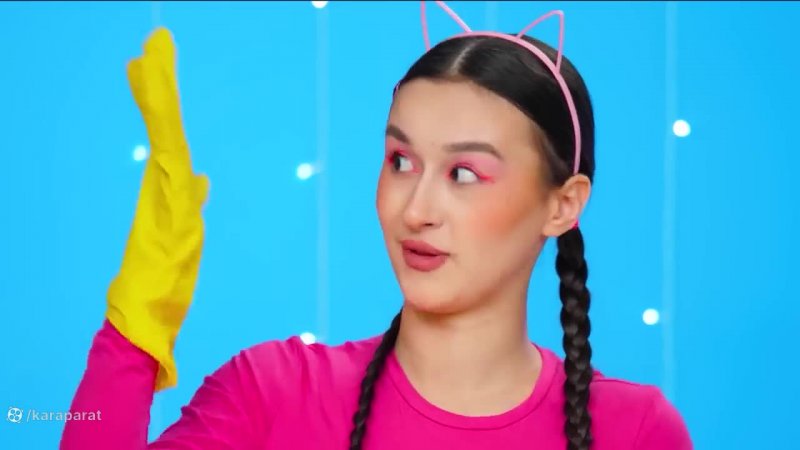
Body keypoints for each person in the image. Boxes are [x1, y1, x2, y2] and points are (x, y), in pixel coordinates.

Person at [61, 2, 692, 449]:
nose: (415, 209)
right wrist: (133, 331)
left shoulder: (635, 430)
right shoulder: (272, 393)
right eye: (401, 162)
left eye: (464, 173)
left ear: (563, 205)